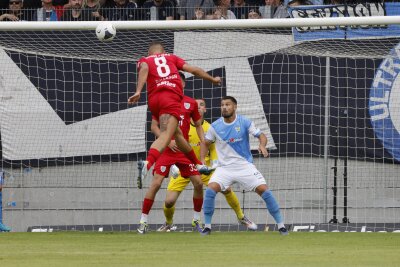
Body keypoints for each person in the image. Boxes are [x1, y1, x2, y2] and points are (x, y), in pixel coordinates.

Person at [157, 98, 257, 232]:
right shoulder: (179, 126)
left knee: (226, 189)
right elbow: (170, 145)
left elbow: (214, 147)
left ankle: (241, 217)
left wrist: (214, 163)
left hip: (204, 169)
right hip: (184, 167)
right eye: (196, 105)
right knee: (169, 202)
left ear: (205, 109)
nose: (198, 108)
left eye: (201, 105)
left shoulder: (210, 127)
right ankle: (169, 223)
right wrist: (173, 164)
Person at [128, 41, 221, 182]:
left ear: (149, 53)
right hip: (169, 98)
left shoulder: (145, 60)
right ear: (163, 51)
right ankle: (147, 164)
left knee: (176, 133)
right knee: (166, 135)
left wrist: (138, 91)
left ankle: (197, 164)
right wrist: (212, 79)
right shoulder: (171, 57)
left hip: (154, 100)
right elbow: (194, 70)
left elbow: (145, 69)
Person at [200, 96, 288, 235]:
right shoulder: (215, 126)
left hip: (244, 166)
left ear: (235, 107)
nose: (224, 107)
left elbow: (262, 135)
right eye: (222, 105)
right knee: (210, 191)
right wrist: (202, 161)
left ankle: (281, 226)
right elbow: (205, 143)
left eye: (228, 104)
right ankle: (207, 227)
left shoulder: (244, 122)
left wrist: (262, 145)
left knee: (265, 191)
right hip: (224, 169)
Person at [137, 73, 206, 234]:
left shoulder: (190, 103)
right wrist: (168, 140)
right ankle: (143, 222)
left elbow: (198, 125)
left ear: (183, 84)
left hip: (183, 151)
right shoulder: (161, 101)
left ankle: (196, 219)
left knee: (198, 183)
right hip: (165, 150)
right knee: (156, 183)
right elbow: (154, 126)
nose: (175, 84)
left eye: (178, 82)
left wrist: (202, 140)